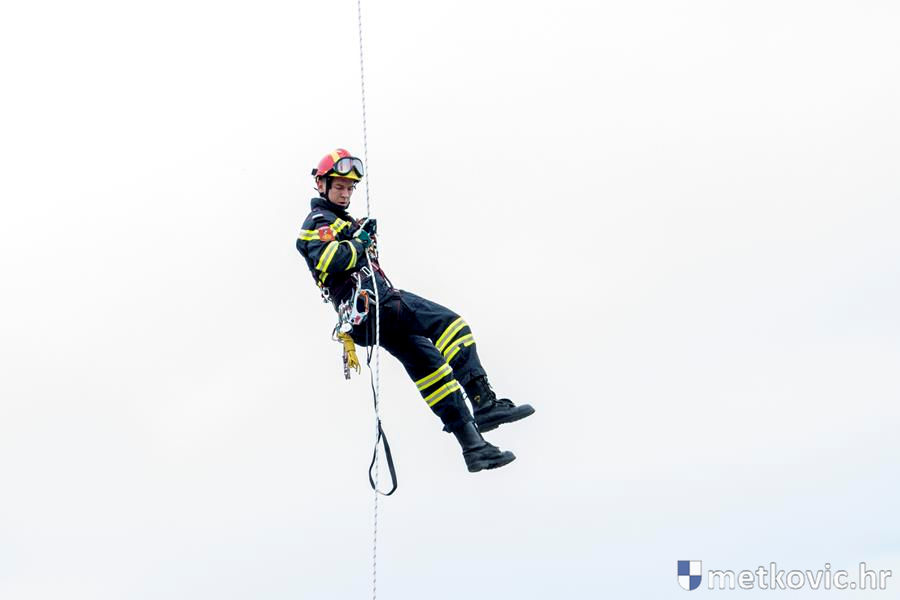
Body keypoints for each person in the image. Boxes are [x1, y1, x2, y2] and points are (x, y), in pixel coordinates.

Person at [296, 148, 534, 472]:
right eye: (339, 187)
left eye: (350, 188)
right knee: (450, 324)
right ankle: (484, 403)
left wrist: (357, 234)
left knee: (432, 371)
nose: (346, 193)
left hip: (368, 316)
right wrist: (360, 241)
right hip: (375, 304)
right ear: (321, 185)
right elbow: (329, 259)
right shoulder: (318, 222)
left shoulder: (341, 222)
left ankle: (474, 448)